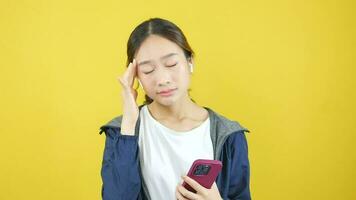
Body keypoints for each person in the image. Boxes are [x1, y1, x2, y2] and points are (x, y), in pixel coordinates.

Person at [99, 17, 251, 200]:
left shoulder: (229, 135)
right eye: (148, 70)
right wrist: (129, 123)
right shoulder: (122, 133)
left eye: (171, 64)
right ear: (135, 75)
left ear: (190, 62)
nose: (163, 79)